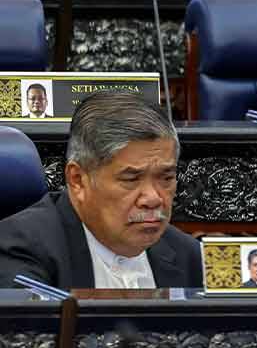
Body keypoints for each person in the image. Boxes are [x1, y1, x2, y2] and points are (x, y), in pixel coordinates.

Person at [0, 91, 203, 289]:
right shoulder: (21, 250)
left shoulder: (189, 256)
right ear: (77, 180)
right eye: (131, 179)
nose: (153, 198)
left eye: (166, 178)